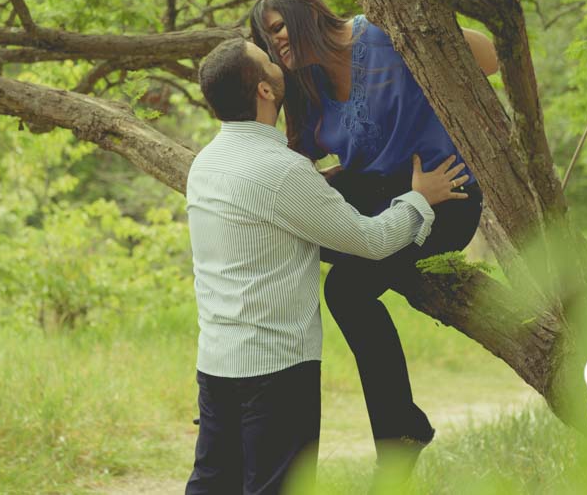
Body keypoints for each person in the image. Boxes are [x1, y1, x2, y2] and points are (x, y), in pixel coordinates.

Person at [184, 37, 469, 494]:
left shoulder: (206, 164)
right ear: (264, 91)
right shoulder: (281, 171)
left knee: (213, 484)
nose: (277, 60)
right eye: (267, 61)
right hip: (277, 369)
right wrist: (420, 199)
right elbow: (371, 241)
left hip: (217, 361)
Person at [249, 0, 498, 474]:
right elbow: (298, 157)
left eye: (277, 27)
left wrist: (419, 25)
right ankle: (254, 397)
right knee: (286, 223)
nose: (274, 41)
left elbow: (489, 60)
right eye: (265, 37)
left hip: (443, 196)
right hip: (377, 197)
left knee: (345, 291)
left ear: (306, 13)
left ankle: (400, 434)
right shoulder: (307, 82)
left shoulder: (382, 35)